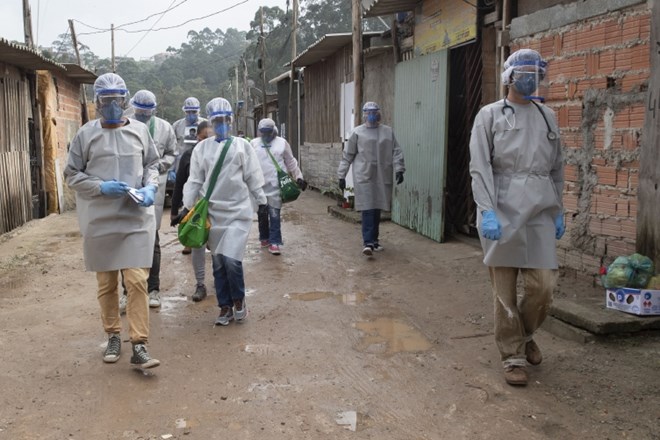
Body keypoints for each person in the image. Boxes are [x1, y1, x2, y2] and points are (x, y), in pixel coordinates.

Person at [468, 48, 564, 387]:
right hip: (502, 209)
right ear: (510, 76)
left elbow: (556, 169)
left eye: (536, 73)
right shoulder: (490, 116)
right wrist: (487, 210)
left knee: (544, 287)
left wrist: (558, 209)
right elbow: (479, 168)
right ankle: (512, 357)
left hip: (539, 210)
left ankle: (523, 335)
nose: (531, 79)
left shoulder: (547, 116)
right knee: (504, 292)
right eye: (525, 73)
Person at [64, 73, 160, 369]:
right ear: (97, 103)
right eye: (106, 101)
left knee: (137, 281)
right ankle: (113, 335)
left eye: (118, 100)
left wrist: (151, 187)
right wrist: (99, 187)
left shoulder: (141, 132)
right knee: (106, 284)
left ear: (125, 100)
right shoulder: (85, 134)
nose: (113, 107)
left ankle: (140, 344)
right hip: (100, 219)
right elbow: (72, 174)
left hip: (135, 218)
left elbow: (152, 164)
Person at [174, 97, 266, 326]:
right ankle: (224, 306)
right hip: (213, 213)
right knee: (218, 262)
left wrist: (262, 201)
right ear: (211, 123)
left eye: (226, 120)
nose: (222, 124)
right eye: (217, 121)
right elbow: (194, 180)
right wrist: (186, 207)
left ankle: (239, 301)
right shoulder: (201, 149)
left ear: (232, 121)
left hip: (239, 213)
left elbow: (253, 176)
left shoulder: (242, 146)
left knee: (232, 260)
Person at [117, 90, 176, 312]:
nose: (142, 116)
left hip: (155, 188)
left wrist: (162, 166)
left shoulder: (164, 127)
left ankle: (153, 289)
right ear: (132, 108)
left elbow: (172, 152)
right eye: (139, 112)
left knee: (152, 238)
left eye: (146, 113)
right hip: (128, 187)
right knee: (126, 239)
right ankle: (126, 292)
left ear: (154, 110)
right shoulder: (123, 126)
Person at [337, 101, 405, 256]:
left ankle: (374, 241)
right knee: (368, 208)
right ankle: (367, 242)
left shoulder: (387, 132)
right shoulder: (357, 133)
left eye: (374, 112)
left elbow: (396, 151)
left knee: (376, 208)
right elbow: (347, 155)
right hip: (364, 175)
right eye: (368, 113)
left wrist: (400, 169)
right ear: (364, 114)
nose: (372, 115)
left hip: (382, 175)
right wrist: (341, 175)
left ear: (379, 113)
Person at [170, 120, 214, 302]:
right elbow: (179, 185)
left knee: (218, 248)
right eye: (204, 137)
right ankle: (200, 284)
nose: (207, 141)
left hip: (217, 206)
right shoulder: (188, 156)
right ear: (197, 136)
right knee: (198, 246)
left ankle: (220, 280)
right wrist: (175, 211)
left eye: (211, 137)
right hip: (195, 207)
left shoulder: (221, 154)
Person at [251, 118, 307, 255]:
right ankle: (264, 237)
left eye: (268, 133)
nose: (265, 136)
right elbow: (248, 164)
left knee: (274, 213)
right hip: (259, 185)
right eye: (262, 133)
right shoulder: (253, 144)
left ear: (273, 131)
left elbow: (291, 161)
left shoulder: (282, 143)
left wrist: (299, 177)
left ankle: (275, 242)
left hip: (276, 185)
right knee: (262, 213)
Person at [172, 97, 207, 255]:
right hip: (185, 164)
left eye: (194, 112)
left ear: (199, 111)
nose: (191, 115)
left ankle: (205, 236)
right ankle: (188, 241)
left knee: (204, 201)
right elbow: (173, 147)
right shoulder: (177, 126)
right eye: (188, 112)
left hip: (204, 165)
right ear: (184, 111)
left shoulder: (206, 124)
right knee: (187, 202)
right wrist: (173, 167)